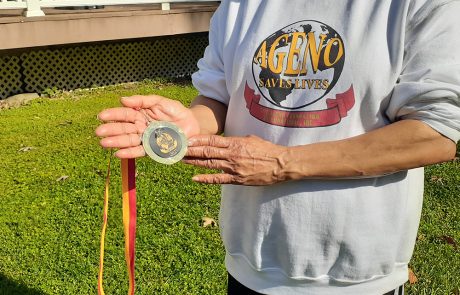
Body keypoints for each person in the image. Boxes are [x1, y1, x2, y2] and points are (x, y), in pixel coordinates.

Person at [96, 0, 460, 294]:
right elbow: (218, 96)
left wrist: (285, 162)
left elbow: (436, 132)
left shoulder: (420, 5)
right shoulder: (239, 6)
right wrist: (191, 122)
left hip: (357, 276)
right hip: (251, 266)